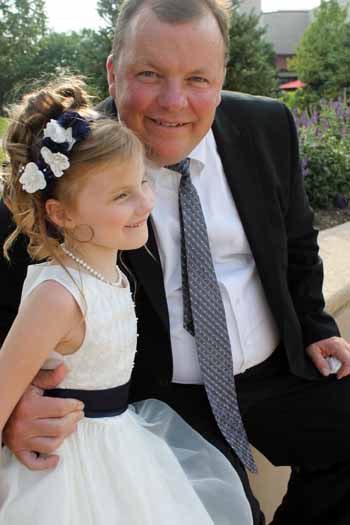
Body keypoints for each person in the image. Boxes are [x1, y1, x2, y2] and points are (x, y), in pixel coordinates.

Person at [2, 0, 350, 523]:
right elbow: (18, 309)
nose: (174, 101)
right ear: (113, 71)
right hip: (158, 397)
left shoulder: (267, 124)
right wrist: (17, 410)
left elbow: (297, 241)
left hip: (275, 371)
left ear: (221, 76)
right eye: (149, 74)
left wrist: (316, 324)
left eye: (198, 78)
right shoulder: (67, 165)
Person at [0, 78, 254, 524]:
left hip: (124, 451)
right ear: (62, 214)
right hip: (69, 474)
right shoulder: (59, 297)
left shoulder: (110, 273)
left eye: (141, 182)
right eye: (121, 195)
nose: (144, 203)